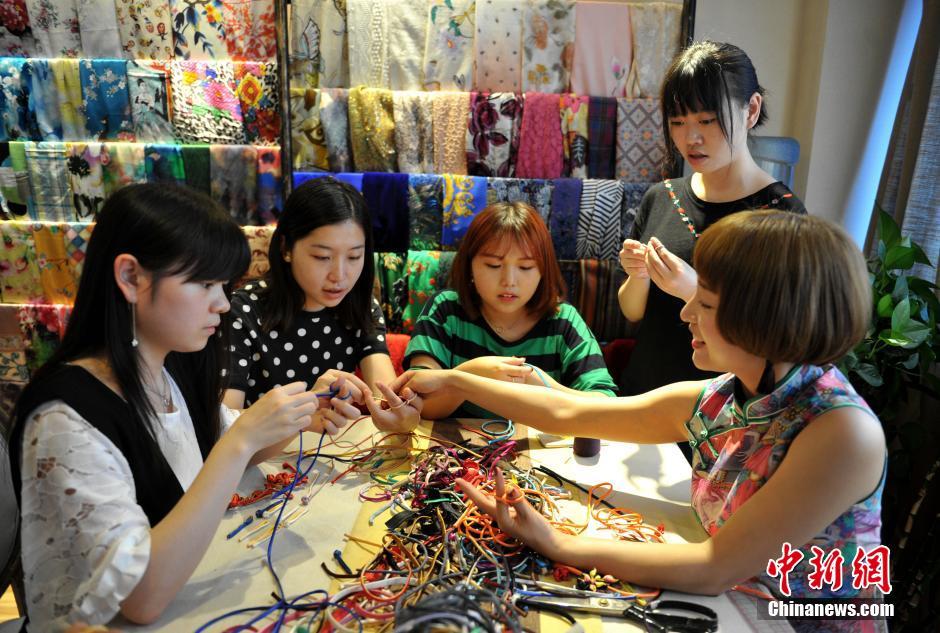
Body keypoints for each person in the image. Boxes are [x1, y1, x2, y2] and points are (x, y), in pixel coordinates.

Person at [389, 211, 885, 601]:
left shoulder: (841, 432)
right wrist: (457, 376)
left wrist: (557, 544)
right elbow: (566, 412)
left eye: (705, 304)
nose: (686, 312)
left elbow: (716, 568)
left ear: (768, 320)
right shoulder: (726, 395)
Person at [8, 184, 370, 630]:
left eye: (223, 285)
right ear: (130, 278)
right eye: (204, 283)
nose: (221, 302)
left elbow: (219, 439)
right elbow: (141, 598)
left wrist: (302, 415)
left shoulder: (172, 363)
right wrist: (240, 442)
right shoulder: (65, 418)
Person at [617, 41, 807, 412]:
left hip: (725, 416)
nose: (691, 139)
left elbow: (773, 344)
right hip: (643, 396)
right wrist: (637, 275)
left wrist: (690, 288)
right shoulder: (663, 195)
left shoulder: (780, 216)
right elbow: (632, 312)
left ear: (751, 109)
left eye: (707, 120)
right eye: (677, 123)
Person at [222, 177, 419, 433]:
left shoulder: (359, 306)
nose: (339, 275)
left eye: (354, 257)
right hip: (258, 462)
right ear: (286, 248)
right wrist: (304, 413)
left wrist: (401, 413)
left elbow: (386, 394)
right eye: (322, 257)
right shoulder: (243, 312)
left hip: (331, 457)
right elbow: (225, 421)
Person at [403, 201, 617, 419]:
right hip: (455, 450)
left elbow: (606, 404)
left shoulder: (564, 320)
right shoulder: (445, 310)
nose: (509, 281)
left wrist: (543, 385)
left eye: (525, 267)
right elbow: (418, 402)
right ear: (469, 265)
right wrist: (472, 375)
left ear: (544, 271)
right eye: (493, 265)